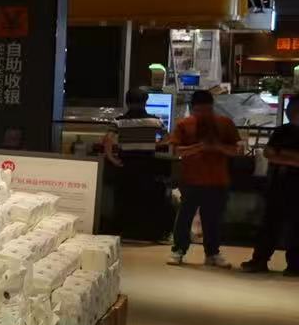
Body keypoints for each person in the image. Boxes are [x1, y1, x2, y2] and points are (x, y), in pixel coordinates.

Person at [167, 89, 241, 267]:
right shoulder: (184, 124)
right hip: (190, 179)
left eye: (207, 110)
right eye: (199, 110)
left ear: (212, 107)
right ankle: (178, 250)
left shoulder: (225, 123)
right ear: (193, 109)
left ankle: (212, 253)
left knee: (213, 219)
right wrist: (200, 147)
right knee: (185, 217)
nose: (204, 114)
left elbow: (236, 150)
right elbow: (176, 151)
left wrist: (217, 147)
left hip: (218, 180)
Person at [99, 88, 169, 242]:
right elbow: (168, 139)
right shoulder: (155, 121)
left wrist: (112, 158)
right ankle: (143, 232)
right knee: (145, 198)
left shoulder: (119, 121)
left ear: (127, 102)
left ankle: (125, 232)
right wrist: (153, 145)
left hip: (126, 164)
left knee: (125, 198)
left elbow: (107, 140)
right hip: (147, 165)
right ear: (145, 102)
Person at [243, 95, 299, 275]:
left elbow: (275, 154)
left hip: (295, 187)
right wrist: (290, 158)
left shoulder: (283, 133)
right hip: (277, 185)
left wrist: (281, 155)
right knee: (269, 224)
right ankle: (260, 260)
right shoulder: (282, 130)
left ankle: (295, 265)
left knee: (295, 228)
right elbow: (268, 152)